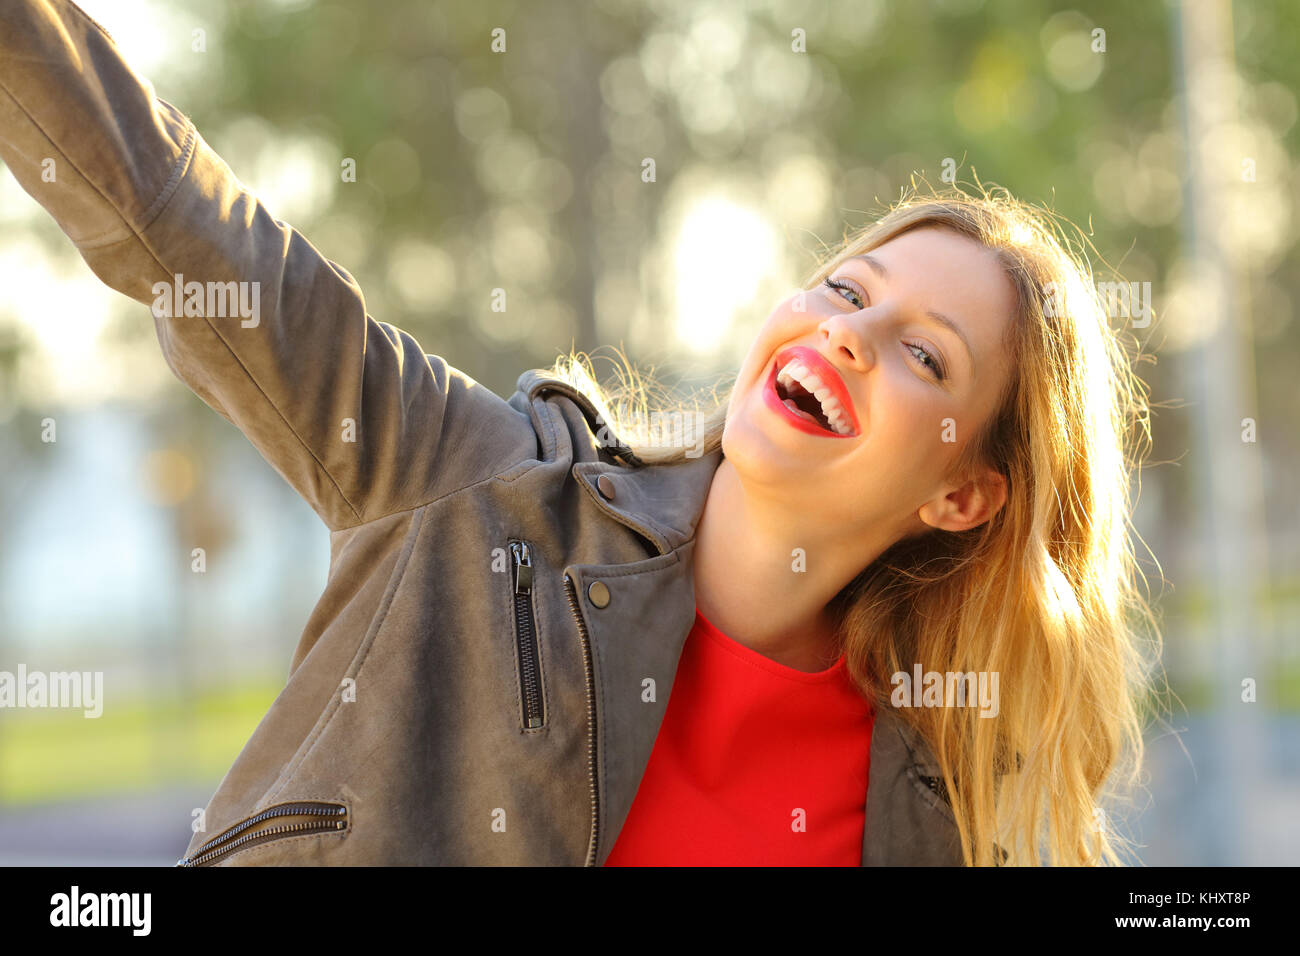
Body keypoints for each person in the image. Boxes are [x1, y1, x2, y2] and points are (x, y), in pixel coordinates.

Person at [0, 0, 1162, 866]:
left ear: (963, 496)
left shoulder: (930, 812)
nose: (851, 332)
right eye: (847, 290)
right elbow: (186, 230)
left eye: (925, 355)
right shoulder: (478, 491)